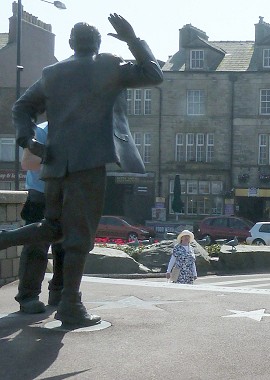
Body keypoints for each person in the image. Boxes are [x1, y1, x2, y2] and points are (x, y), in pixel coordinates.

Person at [3, 14, 163, 328]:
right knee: (79, 238)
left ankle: (6, 238)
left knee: (53, 227)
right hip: (88, 164)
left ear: (70, 44)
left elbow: (21, 107)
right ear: (98, 44)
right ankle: (71, 306)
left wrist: (28, 138)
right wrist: (132, 38)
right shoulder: (109, 66)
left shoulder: (52, 73)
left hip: (54, 163)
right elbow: (154, 73)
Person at [15, 122, 65, 314]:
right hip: (41, 196)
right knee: (36, 246)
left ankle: (60, 293)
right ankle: (28, 296)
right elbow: (27, 162)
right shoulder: (43, 130)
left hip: (67, 197)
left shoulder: (80, 128)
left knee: (66, 249)